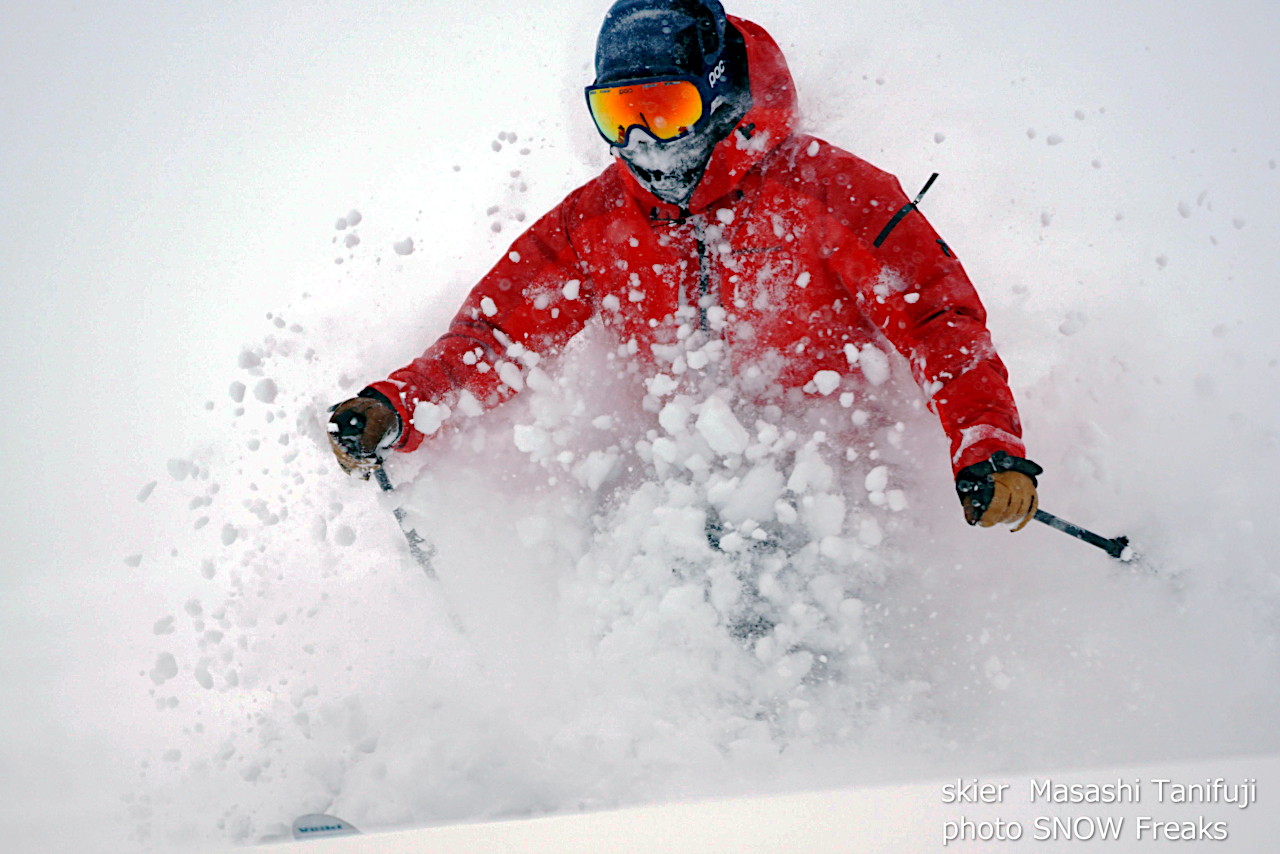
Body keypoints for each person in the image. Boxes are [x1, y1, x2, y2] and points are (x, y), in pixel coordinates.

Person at [328, 0, 1041, 533]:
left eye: (665, 109)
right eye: (619, 114)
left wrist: (986, 443)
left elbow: (934, 317)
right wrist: (398, 407)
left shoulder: (829, 192)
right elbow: (498, 340)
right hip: (674, 496)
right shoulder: (596, 222)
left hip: (838, 500)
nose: (642, 140)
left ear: (722, 93)